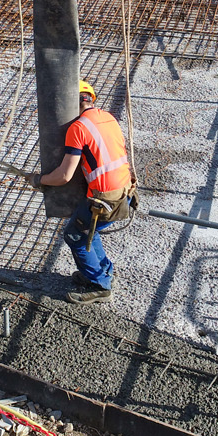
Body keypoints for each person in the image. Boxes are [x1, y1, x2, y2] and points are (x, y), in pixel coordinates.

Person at [31, 79, 134, 305]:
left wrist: (40, 180)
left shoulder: (77, 128)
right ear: (90, 99)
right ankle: (104, 272)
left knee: (75, 235)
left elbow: (64, 175)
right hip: (124, 190)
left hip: (105, 198)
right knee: (88, 229)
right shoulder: (108, 117)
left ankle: (99, 285)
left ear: (71, 102)